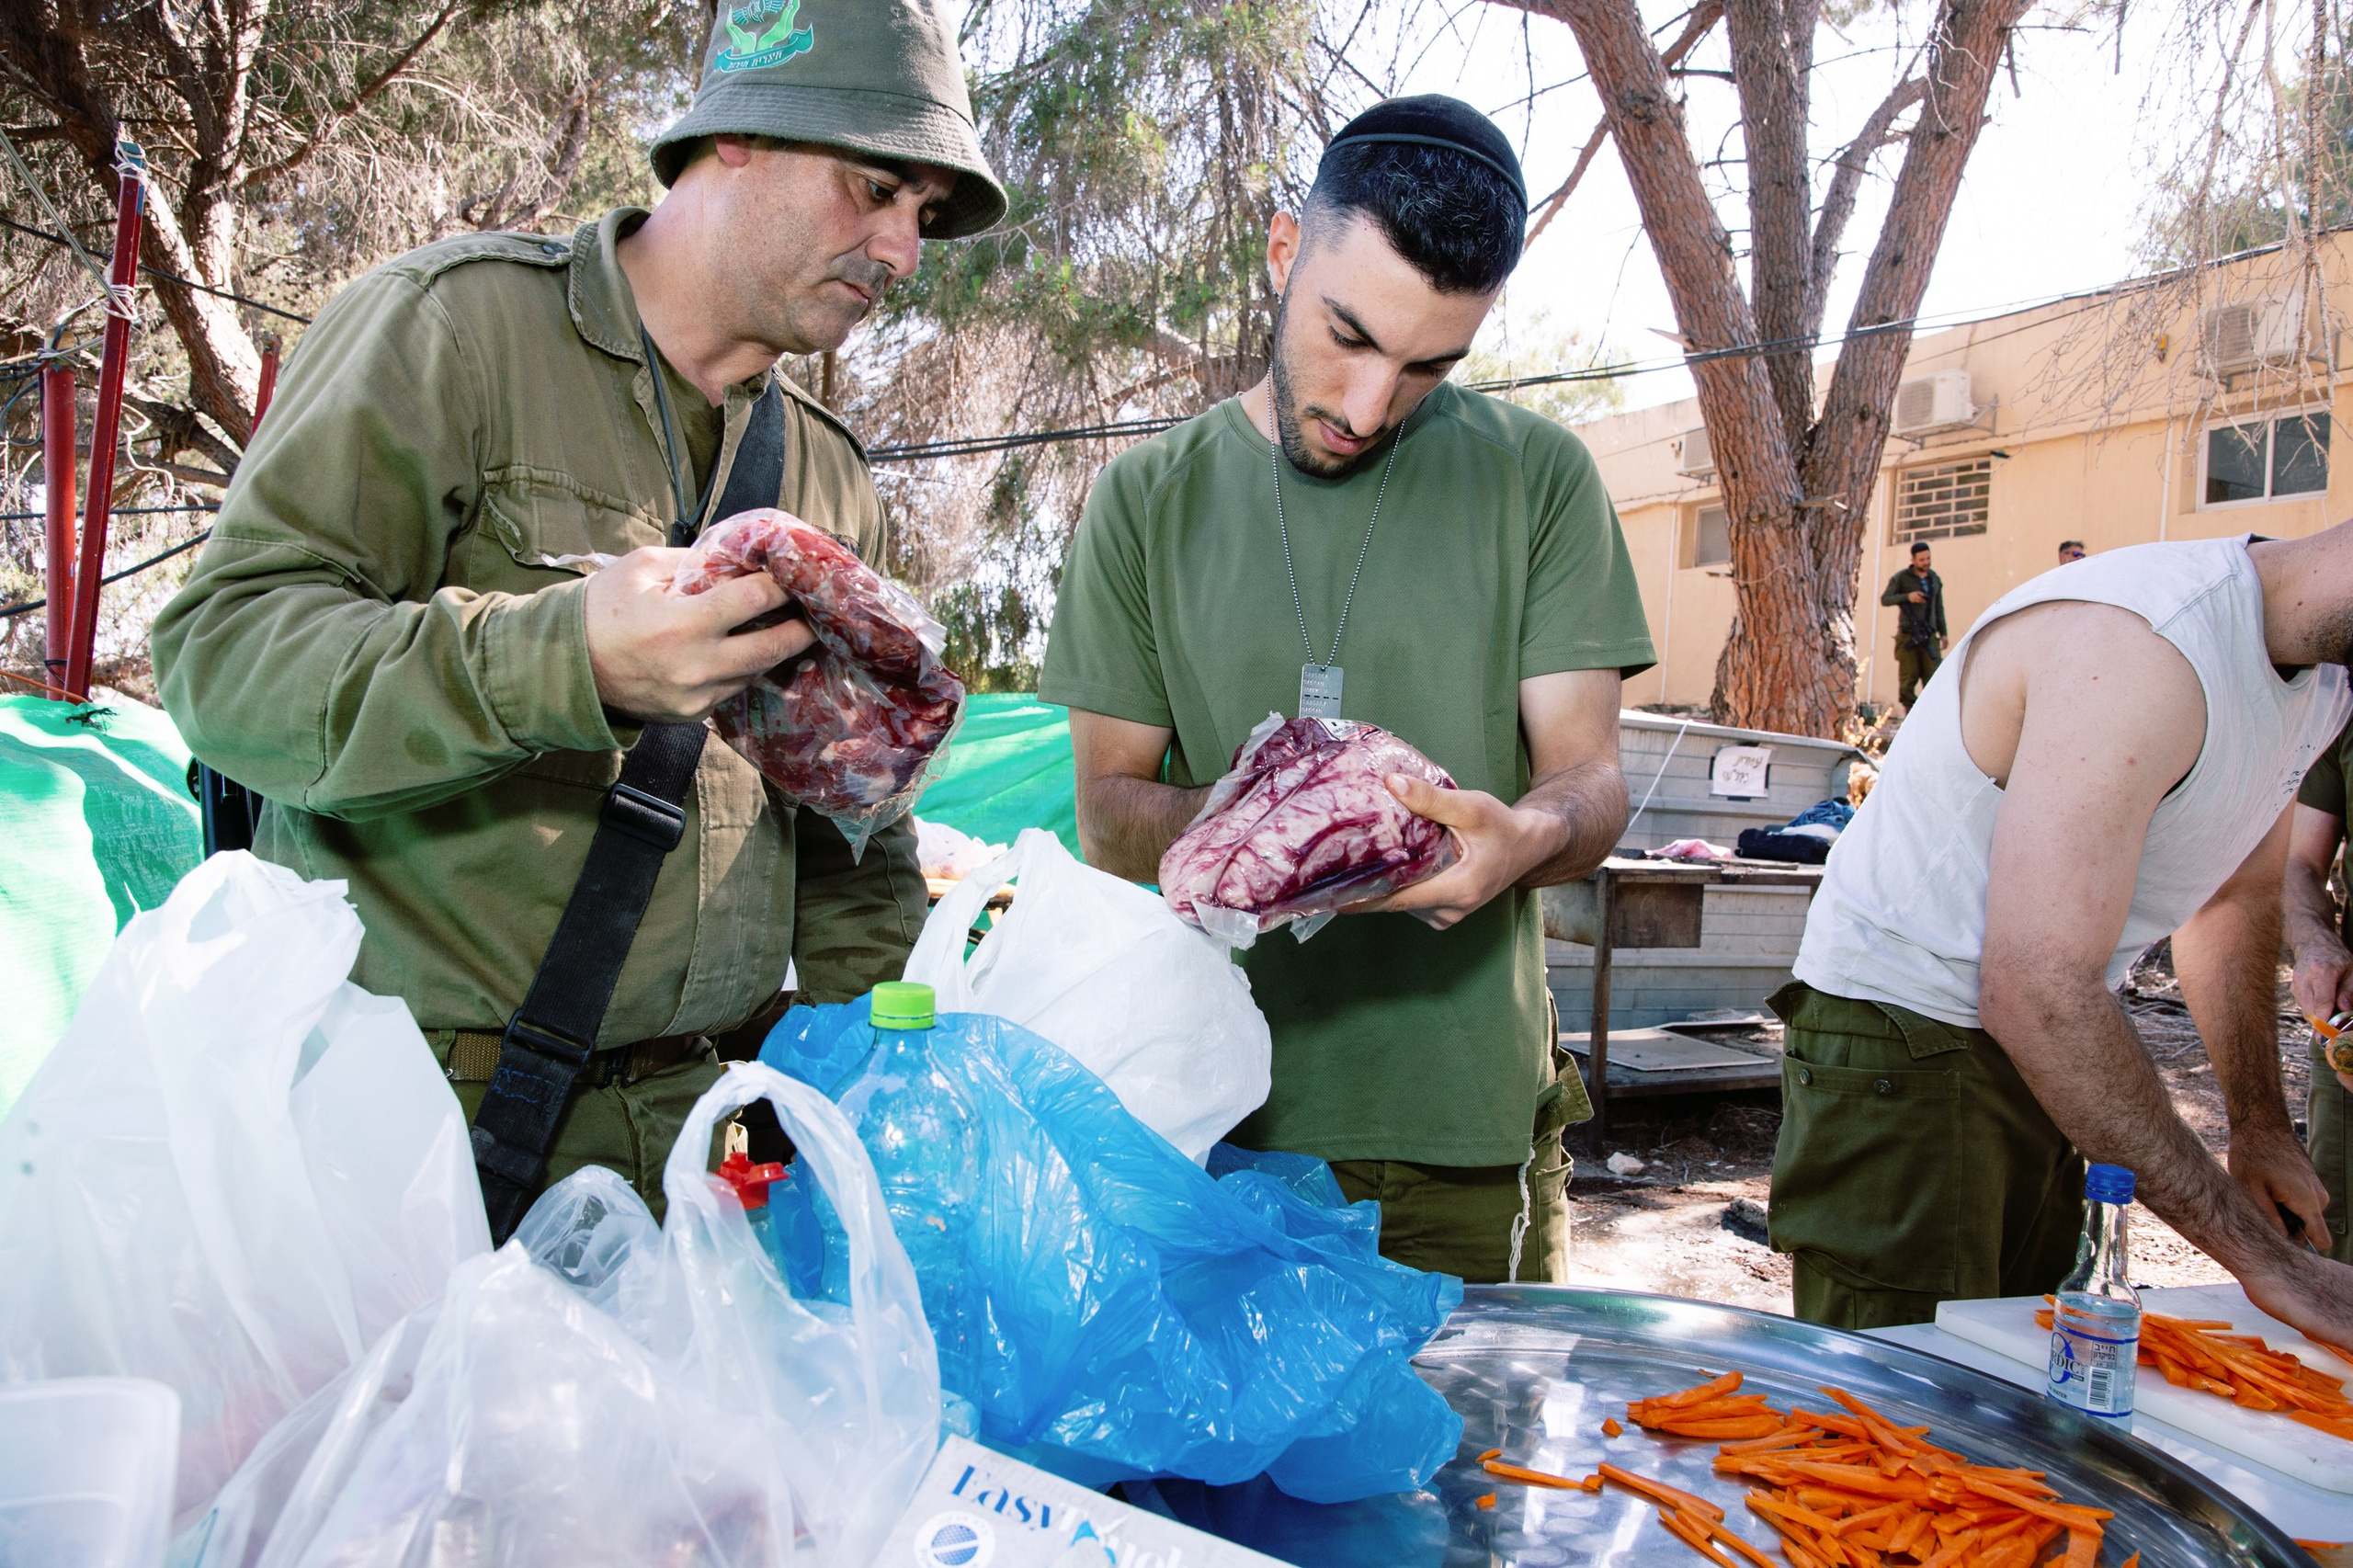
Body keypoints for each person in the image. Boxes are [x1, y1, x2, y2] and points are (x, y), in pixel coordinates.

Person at [152, 1, 1006, 1216]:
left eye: (923, 217)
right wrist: (566, 658)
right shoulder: (460, 331)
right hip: (414, 1146)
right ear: (739, 134)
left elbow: (850, 838)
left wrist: (882, 1069)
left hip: (709, 1148)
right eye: (875, 187)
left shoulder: (825, 473)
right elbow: (221, 659)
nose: (902, 249)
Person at [1037, 96, 1655, 1285]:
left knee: (1473, 1470)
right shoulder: (1145, 497)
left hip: (1465, 1137)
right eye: (1348, 336)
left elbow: (1592, 779)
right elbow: (1109, 812)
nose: (1371, 404)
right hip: (1209, 1126)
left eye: (1428, 366)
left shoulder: (1539, 481)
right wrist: (1276, 823)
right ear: (1284, 252)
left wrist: (1521, 837)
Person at [1773, 528, 2353, 1346]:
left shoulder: (2325, 681)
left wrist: (2259, 1122)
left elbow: (2235, 897)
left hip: (2062, 1044)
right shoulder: (2141, 640)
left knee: (2020, 1376)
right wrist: (2272, 1264)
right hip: (1908, 1036)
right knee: (1900, 1421)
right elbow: (2036, 986)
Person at [2280, 715, 2353, 1263]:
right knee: (2339, 1265)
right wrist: (2313, 943)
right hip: (2349, 1040)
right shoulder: (2344, 701)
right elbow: (2301, 861)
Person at [1880, 541, 1947, 707]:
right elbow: (1885, 599)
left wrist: (1943, 633)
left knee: (1935, 681)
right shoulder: (1901, 578)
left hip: (1929, 636)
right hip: (1909, 637)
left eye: (1928, 558)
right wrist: (1907, 597)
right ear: (1913, 560)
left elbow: (1939, 608)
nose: (1926, 562)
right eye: (1922, 559)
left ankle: (1931, 717)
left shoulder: (1934, 579)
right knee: (1907, 685)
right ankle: (1912, 717)